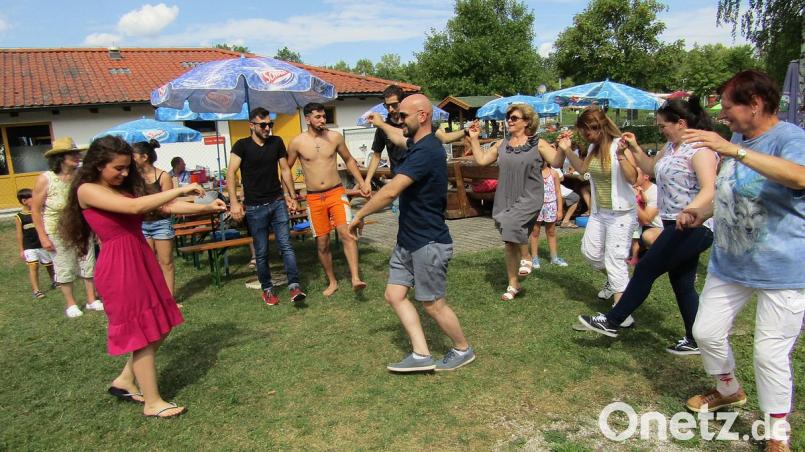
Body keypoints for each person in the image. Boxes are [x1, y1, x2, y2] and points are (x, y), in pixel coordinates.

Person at [678, 70, 805, 451]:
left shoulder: (790, 138)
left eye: (728, 105)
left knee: (769, 353)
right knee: (706, 333)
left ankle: (777, 433)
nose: (721, 113)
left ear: (755, 104)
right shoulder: (737, 138)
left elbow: (799, 177)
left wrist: (733, 149)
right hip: (730, 263)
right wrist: (700, 210)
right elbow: (727, 191)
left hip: (783, 269)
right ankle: (728, 389)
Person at [59, 135, 226, 418]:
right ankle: (152, 402)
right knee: (142, 335)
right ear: (99, 165)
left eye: (127, 168)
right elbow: (137, 208)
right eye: (119, 168)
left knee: (162, 322)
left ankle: (125, 380)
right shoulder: (87, 190)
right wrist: (180, 188)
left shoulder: (122, 189)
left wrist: (205, 207)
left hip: (139, 258)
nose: (124, 173)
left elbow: (161, 208)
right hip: (119, 266)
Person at [577, 98, 718, 355]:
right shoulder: (671, 147)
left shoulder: (701, 150)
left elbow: (710, 189)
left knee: (645, 268)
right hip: (673, 223)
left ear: (681, 123)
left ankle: (613, 320)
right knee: (683, 284)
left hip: (694, 226)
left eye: (663, 126)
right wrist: (633, 147)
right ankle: (695, 339)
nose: (660, 130)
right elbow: (649, 168)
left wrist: (691, 212)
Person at [348, 94, 475, 372]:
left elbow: (392, 191)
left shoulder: (427, 151)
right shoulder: (418, 144)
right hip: (408, 239)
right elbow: (397, 137)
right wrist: (382, 124)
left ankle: (463, 349)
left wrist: (359, 215)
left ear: (422, 116)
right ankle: (421, 355)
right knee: (395, 294)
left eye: (403, 115)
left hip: (428, 241)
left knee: (432, 304)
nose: (399, 119)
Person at [465, 104, 565, 300]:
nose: (509, 120)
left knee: (511, 224)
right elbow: (482, 160)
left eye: (514, 117)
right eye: (508, 117)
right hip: (505, 196)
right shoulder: (501, 144)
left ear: (527, 121)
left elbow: (557, 162)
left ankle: (527, 258)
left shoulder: (538, 143)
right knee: (510, 242)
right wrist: (474, 139)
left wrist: (563, 147)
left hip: (530, 195)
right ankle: (513, 285)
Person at [558, 108, 638, 326]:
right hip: (600, 212)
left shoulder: (619, 144)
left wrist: (622, 155)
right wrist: (566, 150)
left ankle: (622, 316)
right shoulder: (593, 147)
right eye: (583, 132)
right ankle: (616, 282)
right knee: (590, 253)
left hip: (621, 212)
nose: (586, 136)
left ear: (599, 127)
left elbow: (633, 178)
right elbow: (584, 170)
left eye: (588, 131)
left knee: (615, 260)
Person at [287, 103, 371, 296]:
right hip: (314, 197)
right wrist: (289, 195)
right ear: (307, 119)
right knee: (322, 243)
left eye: (324, 116)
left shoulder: (335, 137)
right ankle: (332, 281)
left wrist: (363, 182)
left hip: (336, 192)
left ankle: (356, 278)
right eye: (318, 117)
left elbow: (349, 159)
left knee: (347, 233)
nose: (323, 120)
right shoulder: (297, 142)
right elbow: (285, 169)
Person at [227, 108, 306, 306]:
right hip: (254, 208)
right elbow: (230, 173)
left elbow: (286, 170)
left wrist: (292, 196)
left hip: (277, 202)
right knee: (261, 252)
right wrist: (235, 202)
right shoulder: (241, 146)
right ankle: (267, 289)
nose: (267, 128)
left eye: (270, 124)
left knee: (286, 246)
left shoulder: (276, 142)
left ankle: (294, 285)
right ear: (251, 125)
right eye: (263, 125)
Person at [30, 137, 103, 318]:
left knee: (88, 262)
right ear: (61, 157)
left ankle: (91, 299)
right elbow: (36, 210)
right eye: (73, 154)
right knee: (64, 265)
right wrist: (43, 237)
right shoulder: (46, 179)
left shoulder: (80, 177)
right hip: (57, 229)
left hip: (81, 226)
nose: (78, 156)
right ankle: (70, 303)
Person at [361, 85, 474, 199]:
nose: (390, 109)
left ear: (402, 102)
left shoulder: (417, 122)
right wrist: (367, 181)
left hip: (421, 181)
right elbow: (376, 156)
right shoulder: (384, 128)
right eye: (387, 106)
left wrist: (465, 131)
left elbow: (444, 138)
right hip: (400, 181)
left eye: (394, 105)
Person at [132, 140, 176, 297]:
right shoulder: (134, 178)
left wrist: (152, 204)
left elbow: (169, 204)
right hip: (142, 224)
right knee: (147, 264)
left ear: (144, 157)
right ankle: (153, 296)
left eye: (133, 156)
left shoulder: (163, 176)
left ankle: (169, 298)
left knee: (166, 262)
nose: (131, 159)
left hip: (161, 223)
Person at [524, 159, 568, 271]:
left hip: (551, 206)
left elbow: (558, 192)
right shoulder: (533, 174)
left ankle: (554, 257)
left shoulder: (554, 173)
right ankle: (534, 257)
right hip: (537, 206)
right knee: (535, 231)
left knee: (551, 231)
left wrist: (559, 209)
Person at [15, 188, 56, 299]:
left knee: (49, 264)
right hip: (29, 247)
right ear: (24, 201)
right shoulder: (20, 217)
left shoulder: (39, 213)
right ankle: (36, 290)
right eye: (32, 198)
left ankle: (54, 281)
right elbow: (19, 235)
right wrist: (21, 250)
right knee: (33, 266)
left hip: (42, 244)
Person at [628, 168, 662, 265]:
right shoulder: (631, 188)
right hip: (637, 225)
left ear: (646, 176)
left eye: (635, 174)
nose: (630, 176)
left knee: (648, 237)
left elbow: (646, 220)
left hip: (655, 227)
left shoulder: (656, 192)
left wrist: (633, 199)